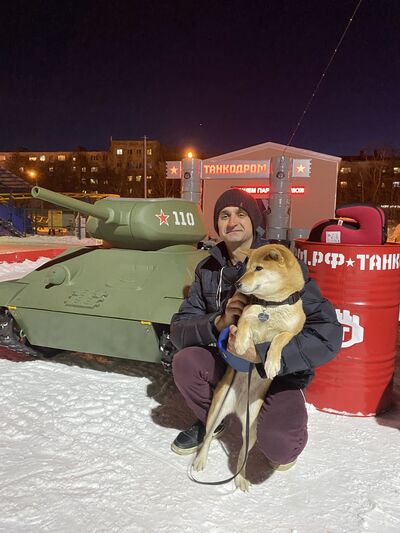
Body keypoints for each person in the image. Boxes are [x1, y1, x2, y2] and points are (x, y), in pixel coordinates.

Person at [169, 189, 342, 470]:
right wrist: (219, 321)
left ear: (254, 221)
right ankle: (213, 418)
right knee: (186, 361)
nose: (232, 222)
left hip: (276, 371)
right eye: (224, 215)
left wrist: (263, 353)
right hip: (230, 365)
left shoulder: (281, 262)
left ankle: (275, 416)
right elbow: (179, 330)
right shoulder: (208, 269)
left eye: (241, 214)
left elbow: (327, 334)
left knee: (281, 447)